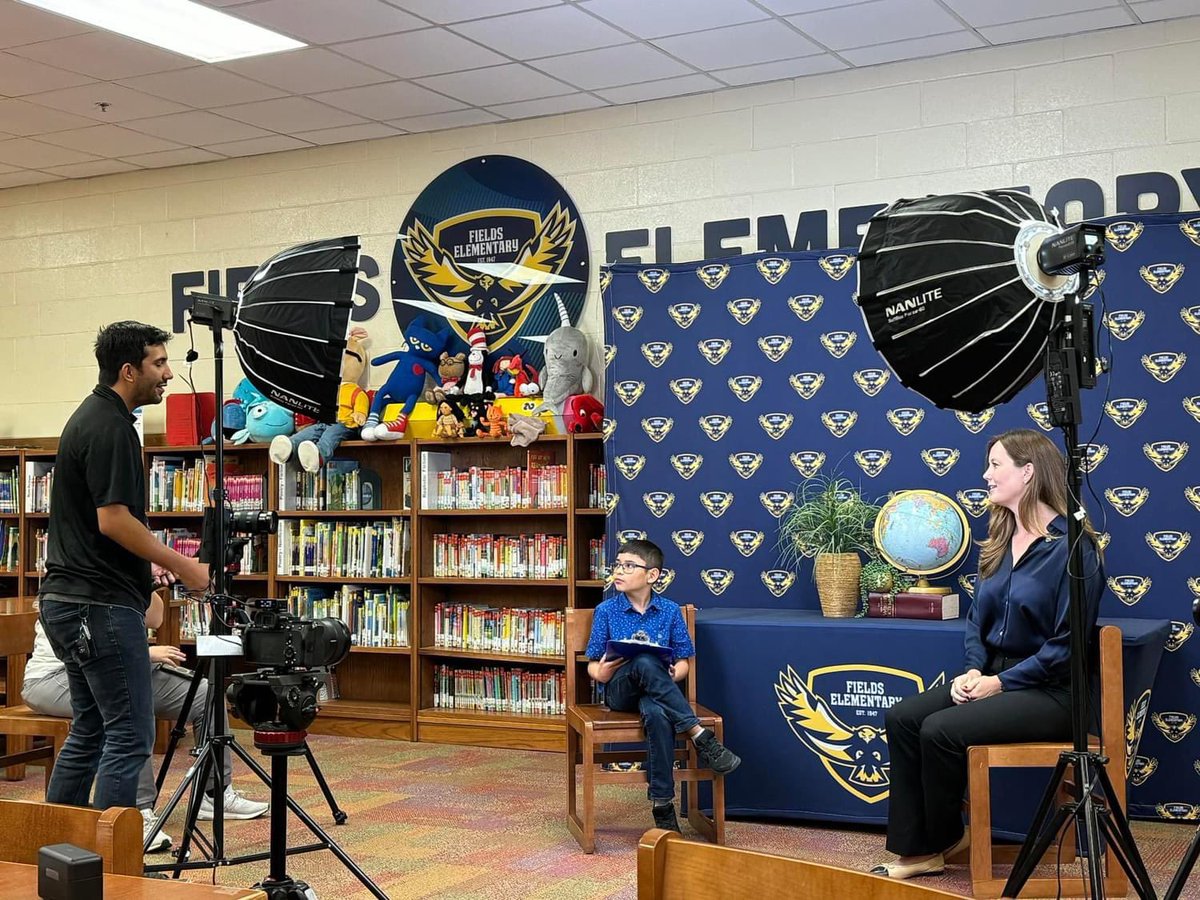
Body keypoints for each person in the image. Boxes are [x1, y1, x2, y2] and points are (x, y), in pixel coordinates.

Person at [871, 429, 1104, 879]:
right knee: (903, 718)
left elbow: (1065, 647)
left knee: (939, 729)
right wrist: (974, 671)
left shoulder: (1075, 549)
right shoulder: (999, 540)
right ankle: (928, 844)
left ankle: (932, 845)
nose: (986, 475)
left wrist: (999, 683)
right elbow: (977, 622)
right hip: (993, 677)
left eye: (996, 465)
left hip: (1051, 692)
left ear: (1028, 472)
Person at [37, 321, 211, 814]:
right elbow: (113, 520)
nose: (169, 374)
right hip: (97, 608)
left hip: (71, 600)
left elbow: (103, 525)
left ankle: (59, 842)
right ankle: (110, 855)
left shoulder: (95, 417)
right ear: (129, 370)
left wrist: (142, 565)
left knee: (91, 728)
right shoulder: (111, 427)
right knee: (130, 734)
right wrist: (184, 565)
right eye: (159, 363)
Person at [22, 590, 267, 851]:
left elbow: (156, 617)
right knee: (130, 713)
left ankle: (214, 793)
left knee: (204, 693)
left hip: (125, 659)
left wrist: (146, 576)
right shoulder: (82, 579)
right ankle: (136, 812)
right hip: (55, 676)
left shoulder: (129, 573)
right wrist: (144, 652)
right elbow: (91, 638)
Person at [585, 539, 741, 833]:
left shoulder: (669, 611)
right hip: (621, 692)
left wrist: (672, 673)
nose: (619, 571)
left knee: (657, 714)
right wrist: (601, 672)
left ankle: (662, 804)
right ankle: (699, 735)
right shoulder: (606, 610)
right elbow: (593, 663)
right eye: (617, 565)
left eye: (628, 566)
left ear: (652, 575)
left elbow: (683, 662)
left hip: (658, 693)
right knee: (644, 660)